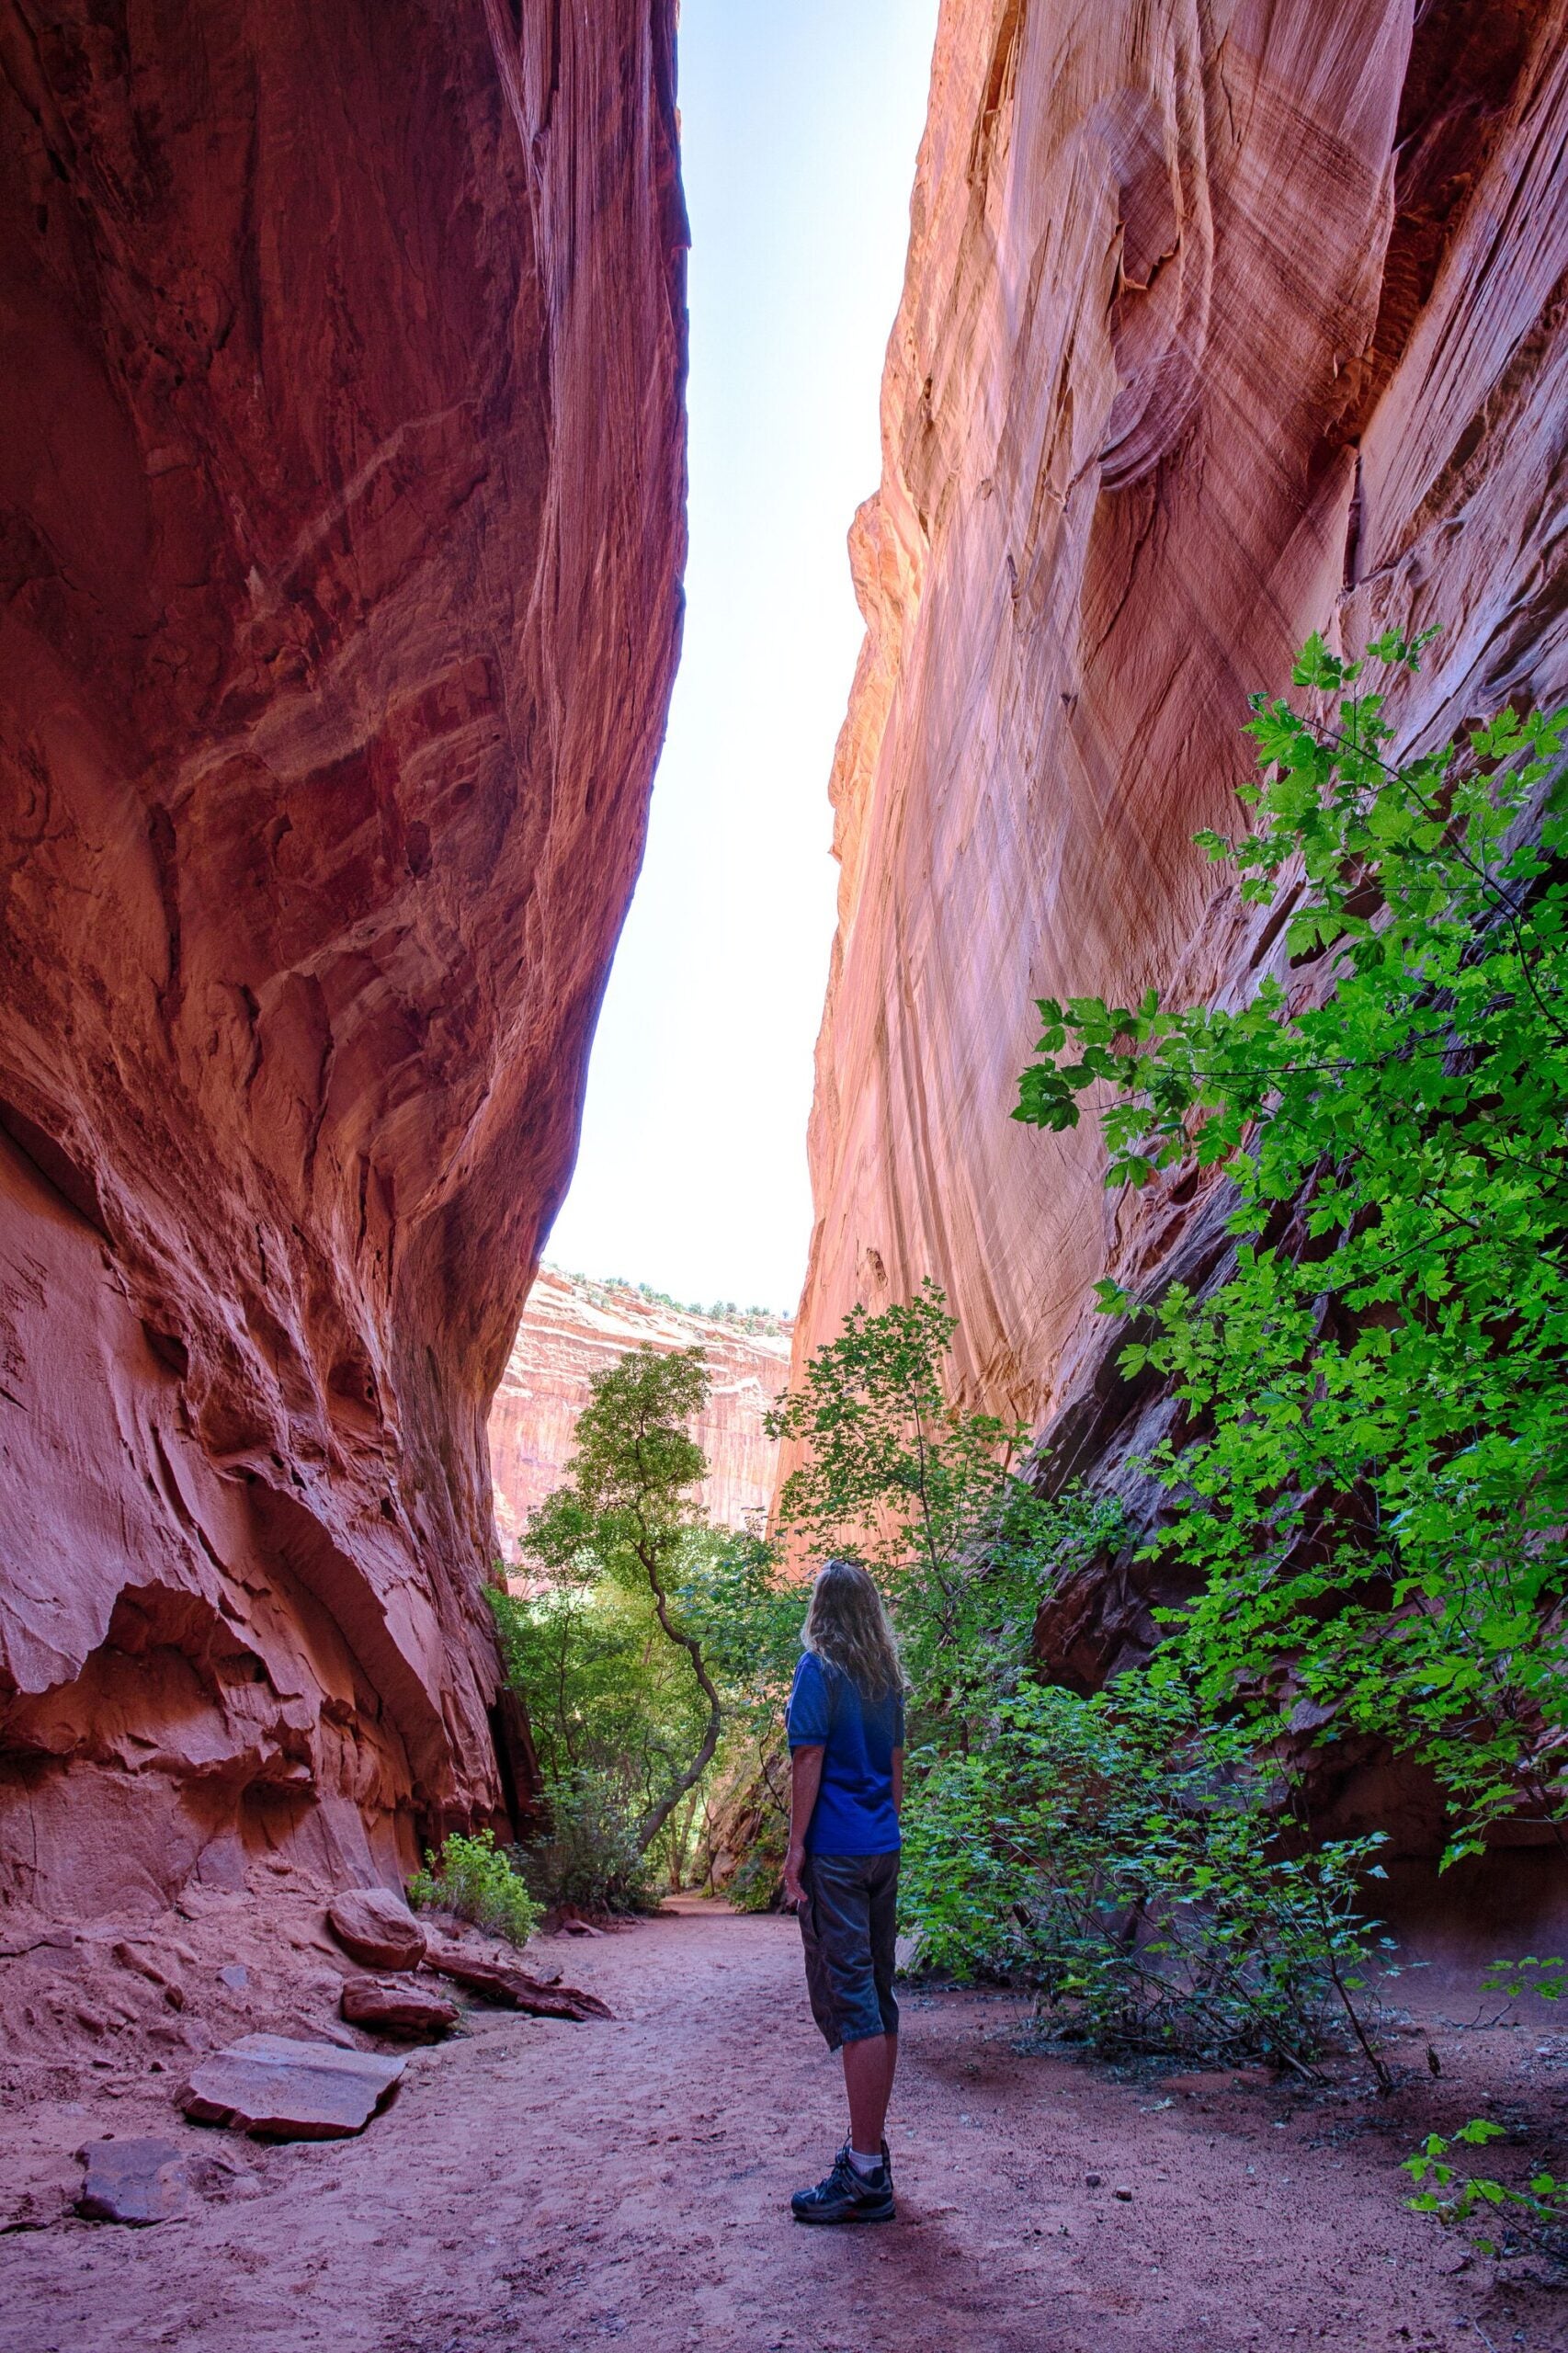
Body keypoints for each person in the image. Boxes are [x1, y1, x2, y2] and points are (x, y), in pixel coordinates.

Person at [781, 1557, 905, 2224]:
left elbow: (809, 1758)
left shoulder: (818, 1670)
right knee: (878, 1998)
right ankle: (871, 2154)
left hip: (836, 1851)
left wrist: (797, 1847)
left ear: (821, 1609)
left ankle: (863, 2173)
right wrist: (887, 1831)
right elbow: (894, 1768)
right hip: (882, 1848)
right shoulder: (885, 1680)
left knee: (854, 2000)